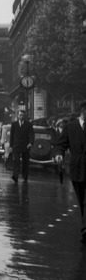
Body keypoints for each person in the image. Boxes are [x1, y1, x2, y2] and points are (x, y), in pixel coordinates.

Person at [54, 101, 86, 244]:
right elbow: (60, 144)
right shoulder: (70, 127)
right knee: (82, 201)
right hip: (77, 168)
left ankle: (85, 229)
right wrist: (59, 154)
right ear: (83, 110)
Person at [9, 110, 34, 183]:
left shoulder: (29, 124)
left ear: (25, 116)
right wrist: (11, 146)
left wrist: (30, 143)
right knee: (16, 161)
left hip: (25, 146)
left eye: (23, 115)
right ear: (18, 116)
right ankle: (15, 176)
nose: (21, 117)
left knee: (25, 162)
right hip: (16, 146)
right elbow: (11, 136)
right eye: (20, 115)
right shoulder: (14, 124)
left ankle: (25, 176)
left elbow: (31, 134)